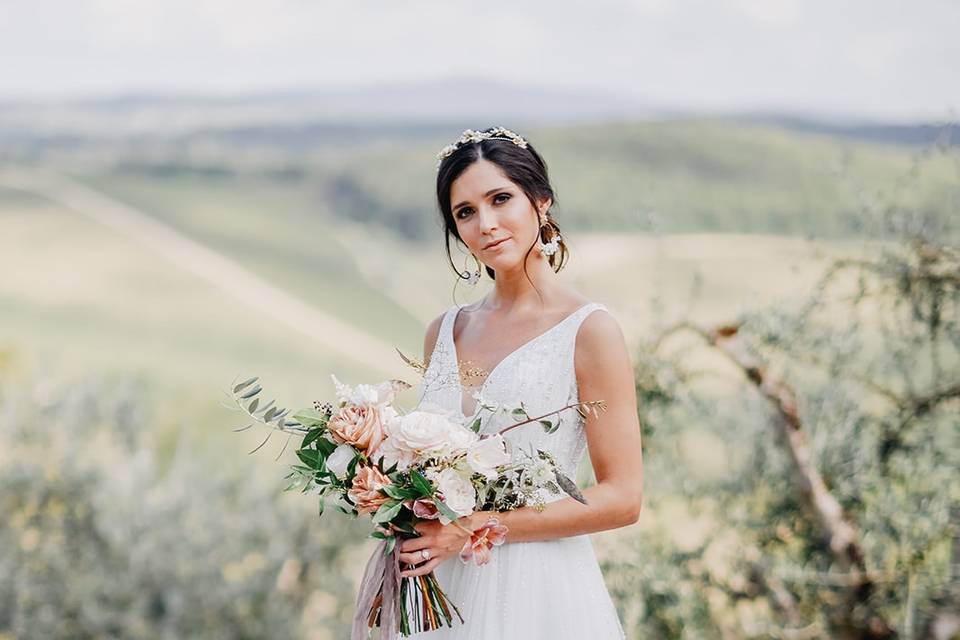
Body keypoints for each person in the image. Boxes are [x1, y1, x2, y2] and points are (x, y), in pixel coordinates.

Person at [397, 126, 643, 639]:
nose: (485, 224)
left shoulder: (589, 330)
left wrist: (470, 527)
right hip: (441, 589)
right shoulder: (443, 332)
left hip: (538, 592)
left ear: (541, 201)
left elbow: (623, 497)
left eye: (500, 199)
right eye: (465, 212)